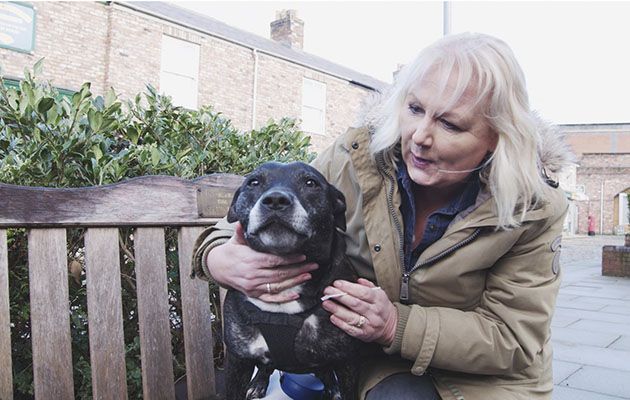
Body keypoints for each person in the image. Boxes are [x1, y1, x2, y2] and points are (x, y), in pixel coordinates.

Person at [192, 32, 572, 399]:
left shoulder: (532, 208)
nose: (420, 136)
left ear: (497, 137)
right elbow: (263, 210)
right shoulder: (358, 159)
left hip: (486, 381)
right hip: (384, 364)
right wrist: (217, 256)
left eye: (450, 124)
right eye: (415, 109)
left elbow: (513, 338)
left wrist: (394, 324)